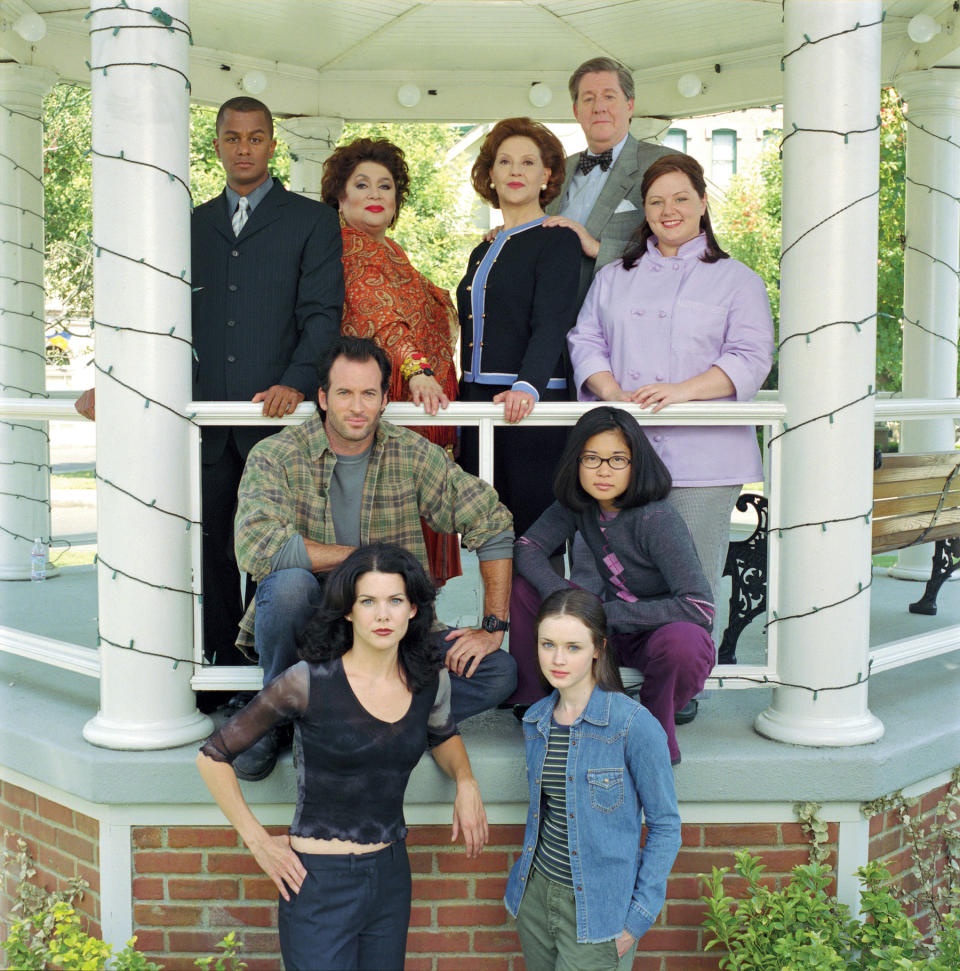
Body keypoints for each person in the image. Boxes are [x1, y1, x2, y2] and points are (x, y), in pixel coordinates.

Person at [74, 96, 344, 681]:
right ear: (217, 144)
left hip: (277, 422)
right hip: (202, 422)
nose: (243, 148)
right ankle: (220, 669)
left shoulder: (313, 222)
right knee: (210, 552)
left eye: (255, 138)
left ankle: (275, 673)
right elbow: (147, 311)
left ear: (273, 144)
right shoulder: (187, 226)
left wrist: (296, 383)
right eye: (232, 137)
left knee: (278, 556)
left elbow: (323, 315)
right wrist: (109, 377)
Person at [231, 336, 517, 779]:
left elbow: (493, 521)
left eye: (369, 393)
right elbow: (258, 545)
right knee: (288, 586)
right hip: (316, 630)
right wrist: (367, 559)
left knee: (497, 671)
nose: (357, 406)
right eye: (344, 393)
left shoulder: (411, 452)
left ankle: (358, 720)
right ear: (323, 398)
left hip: (391, 634)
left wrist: (494, 626)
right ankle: (278, 713)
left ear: (386, 398)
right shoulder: (276, 455)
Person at [197, 543, 488, 971]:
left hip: (390, 876)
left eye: (395, 601)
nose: (383, 615)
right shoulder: (308, 681)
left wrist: (466, 781)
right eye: (368, 602)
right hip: (318, 881)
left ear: (413, 610)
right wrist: (259, 842)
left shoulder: (429, 679)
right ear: (348, 611)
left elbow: (442, 733)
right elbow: (213, 755)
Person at [567, 153, 774, 616]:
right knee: (611, 581)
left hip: (703, 459)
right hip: (621, 456)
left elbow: (751, 356)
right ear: (645, 210)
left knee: (693, 587)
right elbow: (586, 341)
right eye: (656, 201)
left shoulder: (738, 281)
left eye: (681, 198)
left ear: (702, 202)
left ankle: (689, 688)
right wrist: (612, 393)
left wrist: (681, 391)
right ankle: (614, 685)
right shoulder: (613, 278)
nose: (668, 210)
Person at [507, 406, 715, 765]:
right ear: (577, 462)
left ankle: (652, 730)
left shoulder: (656, 518)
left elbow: (699, 606)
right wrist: (564, 596)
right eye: (592, 458)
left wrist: (608, 613)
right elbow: (528, 549)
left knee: (685, 641)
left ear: (637, 464)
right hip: (608, 631)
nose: (603, 470)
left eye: (618, 459)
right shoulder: (580, 504)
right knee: (526, 587)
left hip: (657, 634)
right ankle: (540, 700)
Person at [505, 588, 681, 970]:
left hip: (599, 910)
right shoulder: (536, 720)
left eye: (573, 647)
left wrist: (637, 920)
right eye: (547, 644)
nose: (558, 659)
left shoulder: (633, 726)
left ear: (598, 648)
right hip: (535, 899)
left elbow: (666, 825)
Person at [320, 137, 461, 586]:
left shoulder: (393, 253)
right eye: (362, 185)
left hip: (423, 416)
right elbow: (380, 316)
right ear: (340, 198)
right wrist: (417, 370)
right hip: (394, 405)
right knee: (391, 559)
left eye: (385, 186)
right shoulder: (348, 249)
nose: (376, 194)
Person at [457, 117, 581, 538]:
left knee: (535, 536)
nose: (515, 171)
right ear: (489, 174)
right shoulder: (484, 246)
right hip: (477, 403)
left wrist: (529, 387)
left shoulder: (558, 239)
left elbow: (553, 321)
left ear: (546, 175)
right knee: (489, 535)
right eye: (504, 162)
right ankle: (495, 609)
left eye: (528, 163)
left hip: (532, 404)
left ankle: (545, 609)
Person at [542, 56, 673, 310]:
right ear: (576, 111)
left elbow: (685, 250)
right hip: (553, 320)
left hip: (627, 320)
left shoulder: (665, 164)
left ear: (630, 105)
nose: (598, 107)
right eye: (588, 98)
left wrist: (598, 249)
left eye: (609, 96)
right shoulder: (557, 170)